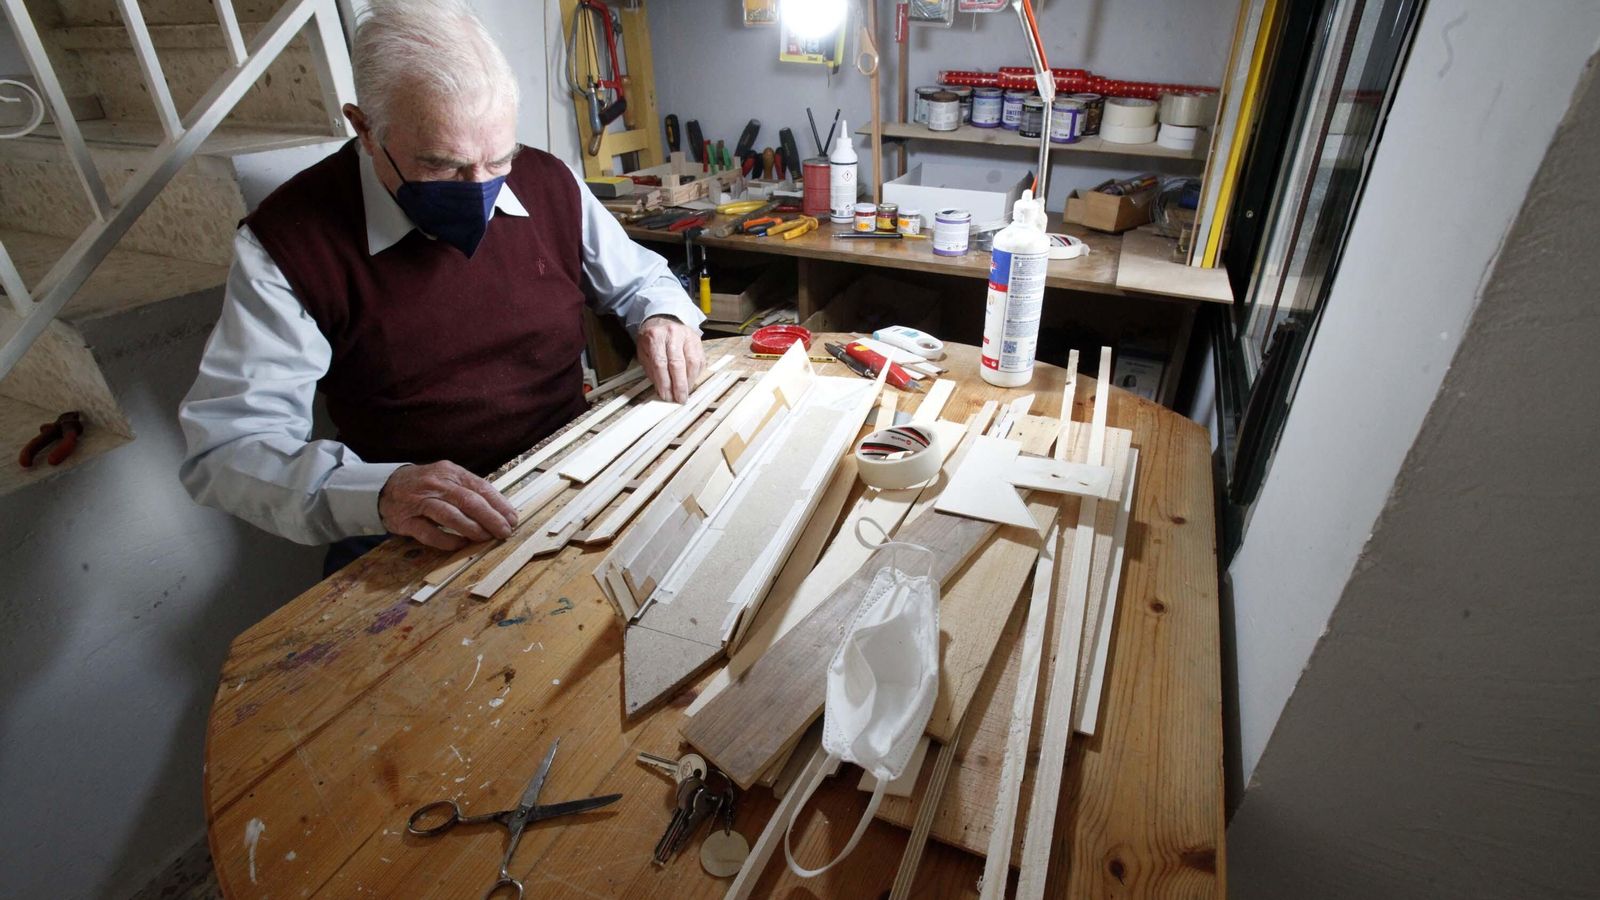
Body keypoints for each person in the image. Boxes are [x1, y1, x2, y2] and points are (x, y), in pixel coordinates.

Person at [178, 0, 705, 575]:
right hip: (413, 523)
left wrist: (663, 317)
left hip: (567, 470)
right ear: (366, 129)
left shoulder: (547, 180)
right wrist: (381, 493)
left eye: (497, 160)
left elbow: (642, 280)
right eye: (443, 165)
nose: (477, 187)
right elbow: (229, 447)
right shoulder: (290, 243)